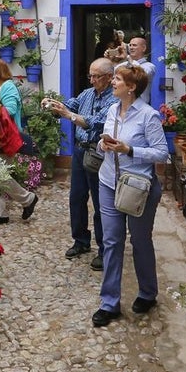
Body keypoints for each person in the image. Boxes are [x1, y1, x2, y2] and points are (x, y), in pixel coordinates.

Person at [91, 64, 170, 327]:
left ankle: (147, 293)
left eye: (117, 79)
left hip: (138, 187)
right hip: (108, 182)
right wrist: (104, 145)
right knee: (112, 242)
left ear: (132, 87)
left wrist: (130, 149)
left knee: (140, 241)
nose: (112, 82)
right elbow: (107, 147)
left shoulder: (149, 116)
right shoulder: (112, 110)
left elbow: (162, 153)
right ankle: (109, 303)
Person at [44, 58, 116, 271]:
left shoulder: (114, 100)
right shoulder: (87, 93)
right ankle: (81, 241)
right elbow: (71, 105)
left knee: (100, 202)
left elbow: (93, 122)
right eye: (91, 76)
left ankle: (104, 249)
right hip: (79, 150)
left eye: (97, 76)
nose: (92, 80)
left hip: (98, 152)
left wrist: (70, 116)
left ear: (109, 77)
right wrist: (55, 105)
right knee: (76, 197)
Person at [0, 59, 40, 224]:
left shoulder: (8, 87)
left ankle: (28, 199)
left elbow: (10, 110)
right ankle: (0, 212)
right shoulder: (1, 88)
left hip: (4, 139)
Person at [126, 35, 157, 105]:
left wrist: (131, 61)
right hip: (124, 107)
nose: (131, 48)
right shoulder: (125, 64)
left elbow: (140, 74)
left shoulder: (150, 66)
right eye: (130, 45)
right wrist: (114, 61)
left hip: (140, 108)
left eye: (134, 45)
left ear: (143, 48)